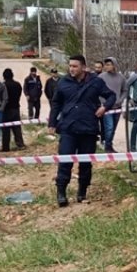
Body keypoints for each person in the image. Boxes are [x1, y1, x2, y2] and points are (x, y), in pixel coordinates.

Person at [49, 54, 115, 207]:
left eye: (75, 66)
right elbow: (56, 103)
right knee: (65, 161)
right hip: (68, 129)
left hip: (88, 129)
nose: (71, 69)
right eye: (70, 66)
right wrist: (52, 123)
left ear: (84, 67)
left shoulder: (96, 82)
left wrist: (104, 107)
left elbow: (111, 96)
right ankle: (61, 193)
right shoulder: (63, 82)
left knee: (85, 163)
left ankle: (82, 192)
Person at [97, 57, 126, 152]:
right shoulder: (101, 77)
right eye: (106, 65)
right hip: (107, 107)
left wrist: (120, 100)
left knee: (113, 128)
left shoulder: (121, 77)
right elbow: (96, 91)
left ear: (114, 65)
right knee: (109, 127)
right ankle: (107, 146)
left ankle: (109, 144)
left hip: (117, 107)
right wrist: (104, 103)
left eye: (109, 64)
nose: (106, 66)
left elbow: (125, 90)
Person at [1, 68, 25, 151]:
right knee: (17, 128)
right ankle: (20, 144)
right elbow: (19, 94)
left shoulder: (3, 86)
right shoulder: (17, 84)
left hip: (6, 109)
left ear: (4, 76)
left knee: (5, 129)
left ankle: (6, 147)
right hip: (15, 108)